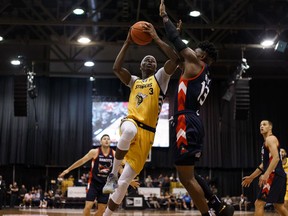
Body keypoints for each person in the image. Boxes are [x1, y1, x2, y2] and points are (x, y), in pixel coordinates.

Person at [159, 1, 233, 216]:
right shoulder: (199, 70)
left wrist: (165, 17)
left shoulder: (196, 63)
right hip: (190, 120)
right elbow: (174, 54)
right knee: (185, 176)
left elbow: (176, 41)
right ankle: (214, 206)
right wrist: (155, 38)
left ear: (201, 56)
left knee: (187, 177)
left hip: (185, 121)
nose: (191, 49)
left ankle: (213, 209)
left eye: (195, 48)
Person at [102, 21, 180, 216]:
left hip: (148, 135)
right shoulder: (134, 81)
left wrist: (155, 38)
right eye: (146, 59)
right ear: (140, 65)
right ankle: (112, 173)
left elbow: (175, 59)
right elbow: (116, 68)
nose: (150, 61)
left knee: (124, 183)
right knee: (128, 130)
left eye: (153, 60)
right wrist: (127, 42)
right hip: (132, 122)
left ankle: (106, 215)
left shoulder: (161, 78)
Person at [59, 134, 139, 216]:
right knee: (88, 206)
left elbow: (119, 169)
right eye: (104, 139)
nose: (107, 140)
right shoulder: (94, 152)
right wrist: (68, 170)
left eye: (108, 139)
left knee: (101, 210)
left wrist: (129, 180)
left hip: (107, 185)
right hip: (94, 183)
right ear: (100, 142)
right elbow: (81, 161)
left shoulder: (114, 154)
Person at [242, 120, 288, 215]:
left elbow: (276, 158)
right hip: (279, 176)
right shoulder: (267, 142)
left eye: (264, 124)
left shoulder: (270, 139)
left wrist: (266, 175)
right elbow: (264, 165)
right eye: (260, 125)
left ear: (270, 127)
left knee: (259, 203)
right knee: (278, 205)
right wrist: (251, 177)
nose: (261, 126)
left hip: (274, 175)